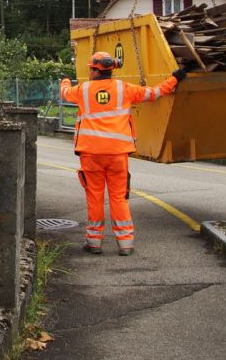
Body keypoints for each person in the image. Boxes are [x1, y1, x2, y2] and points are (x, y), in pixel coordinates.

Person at [60, 52, 187, 256]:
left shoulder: (82, 90)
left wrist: (65, 80)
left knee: (95, 197)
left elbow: (65, 93)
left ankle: (94, 242)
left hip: (91, 154)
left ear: (95, 70)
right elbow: (154, 93)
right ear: (111, 69)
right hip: (118, 154)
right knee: (119, 198)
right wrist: (175, 78)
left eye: (90, 68)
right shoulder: (123, 89)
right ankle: (125, 243)